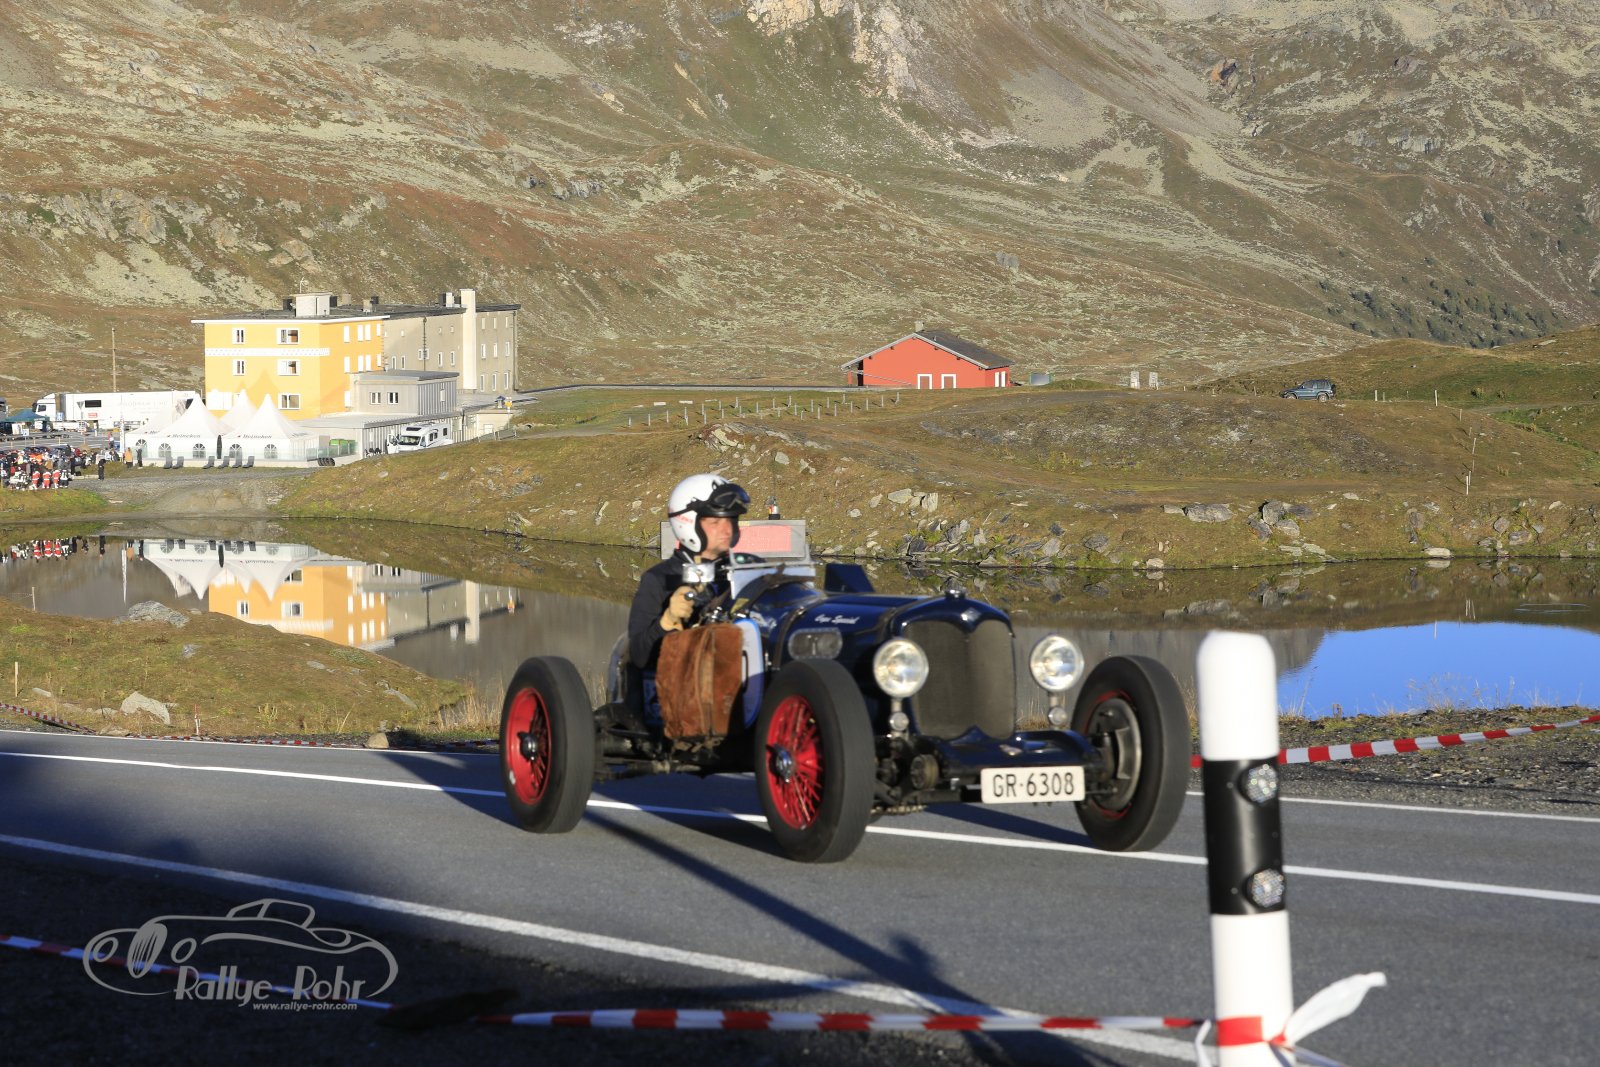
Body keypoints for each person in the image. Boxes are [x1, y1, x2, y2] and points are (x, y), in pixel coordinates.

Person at [626, 473, 750, 675]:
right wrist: (668, 620)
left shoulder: (747, 569)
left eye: (731, 520)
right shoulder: (659, 579)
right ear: (687, 523)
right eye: (715, 522)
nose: (727, 530)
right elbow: (639, 656)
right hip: (685, 684)